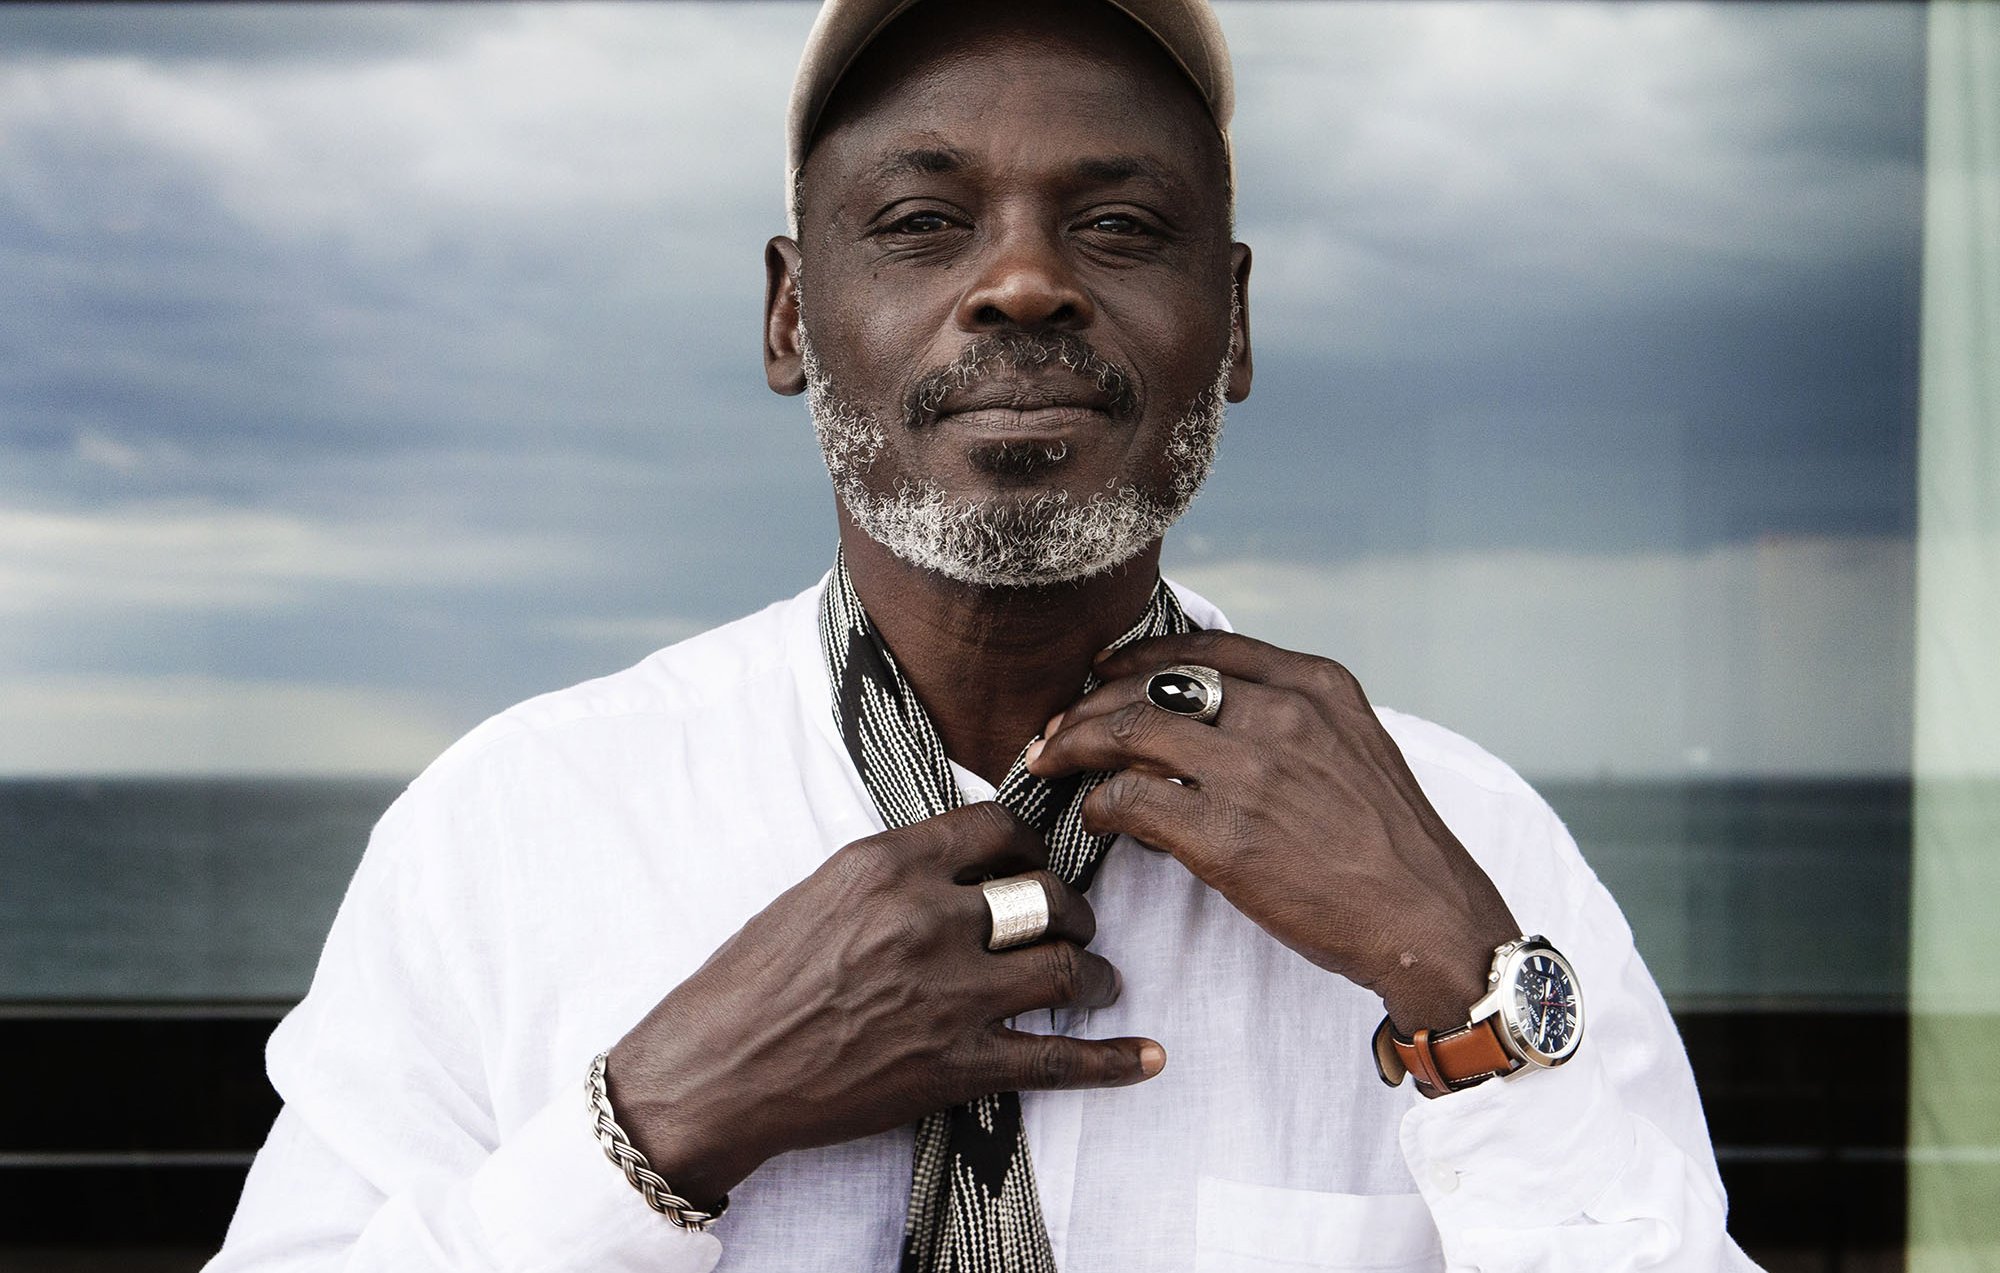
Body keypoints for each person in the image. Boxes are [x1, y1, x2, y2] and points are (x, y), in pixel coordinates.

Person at [209, 1, 1759, 1268]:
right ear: (789, 315)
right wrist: (659, 1120)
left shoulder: (1465, 837)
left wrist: (1461, 990)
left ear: (1232, 325)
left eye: (1121, 224)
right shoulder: (511, 829)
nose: (1023, 282)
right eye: (923, 220)